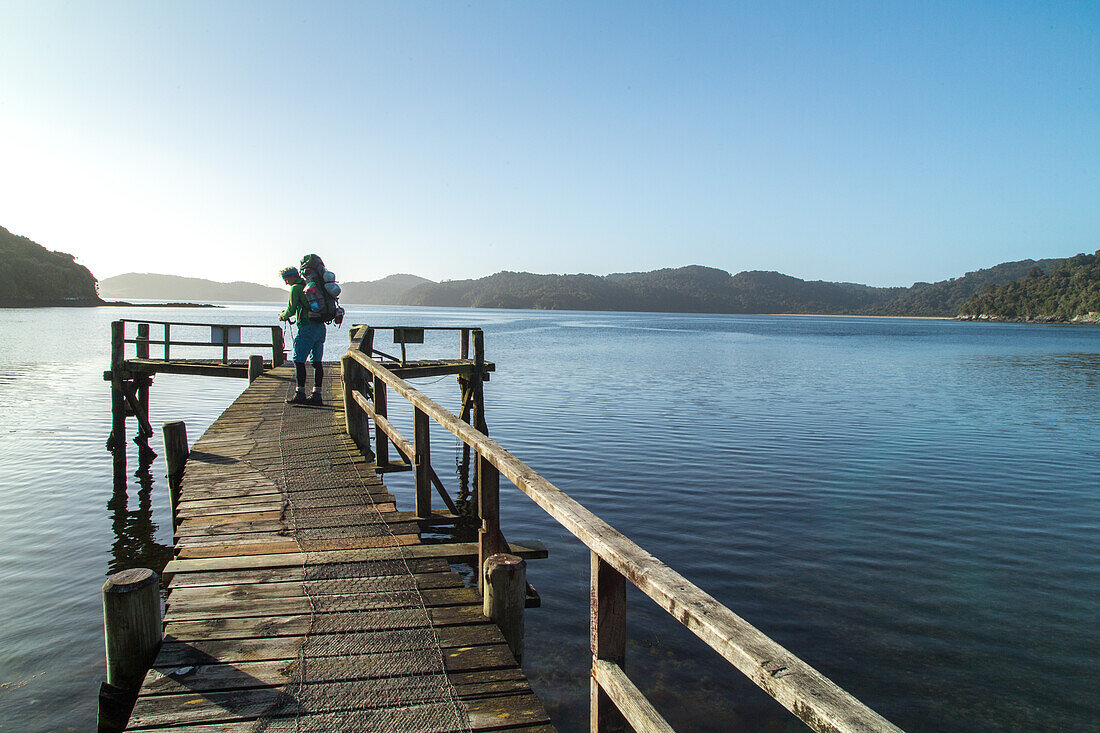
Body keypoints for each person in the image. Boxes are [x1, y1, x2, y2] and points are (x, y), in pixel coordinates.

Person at [278, 266, 325, 405]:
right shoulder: (310, 286)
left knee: (298, 360)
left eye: (286, 279)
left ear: (291, 276)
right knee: (317, 362)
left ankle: (300, 393)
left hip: (306, 327)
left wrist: (282, 316)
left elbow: (291, 309)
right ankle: (317, 395)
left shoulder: (296, 288)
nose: (286, 282)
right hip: (320, 327)